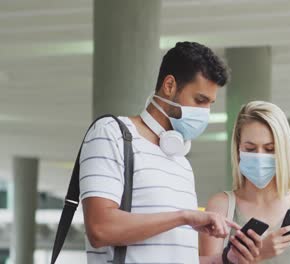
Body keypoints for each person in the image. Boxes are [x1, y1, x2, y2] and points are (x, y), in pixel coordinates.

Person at [80, 42, 261, 264]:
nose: (204, 112)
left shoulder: (181, 164)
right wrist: (183, 217)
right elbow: (100, 229)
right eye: (199, 100)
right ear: (169, 85)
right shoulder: (112, 134)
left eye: (210, 104)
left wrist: (223, 260)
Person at [200, 101, 290, 263]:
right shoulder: (222, 206)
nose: (259, 156)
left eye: (270, 149)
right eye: (250, 149)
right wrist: (257, 255)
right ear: (238, 149)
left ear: (283, 151)